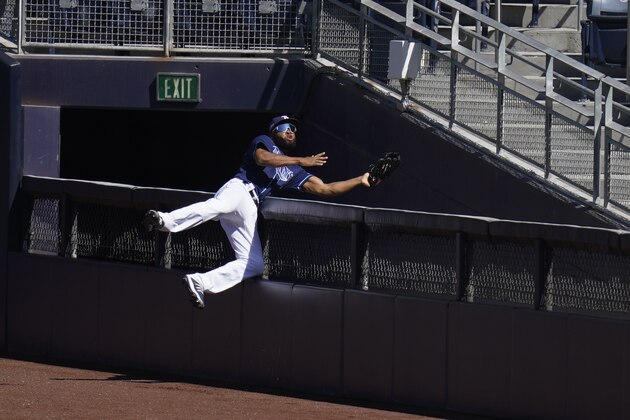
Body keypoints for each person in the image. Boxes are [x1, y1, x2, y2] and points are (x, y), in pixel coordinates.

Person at [143, 115, 372, 309]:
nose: (290, 131)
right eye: (284, 128)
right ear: (274, 132)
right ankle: (164, 220)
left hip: (251, 207)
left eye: (293, 128)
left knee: (254, 264)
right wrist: (301, 159)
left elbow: (326, 189)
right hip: (240, 189)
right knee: (218, 206)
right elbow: (262, 158)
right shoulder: (264, 142)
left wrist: (360, 180)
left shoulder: (294, 170)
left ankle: (200, 282)